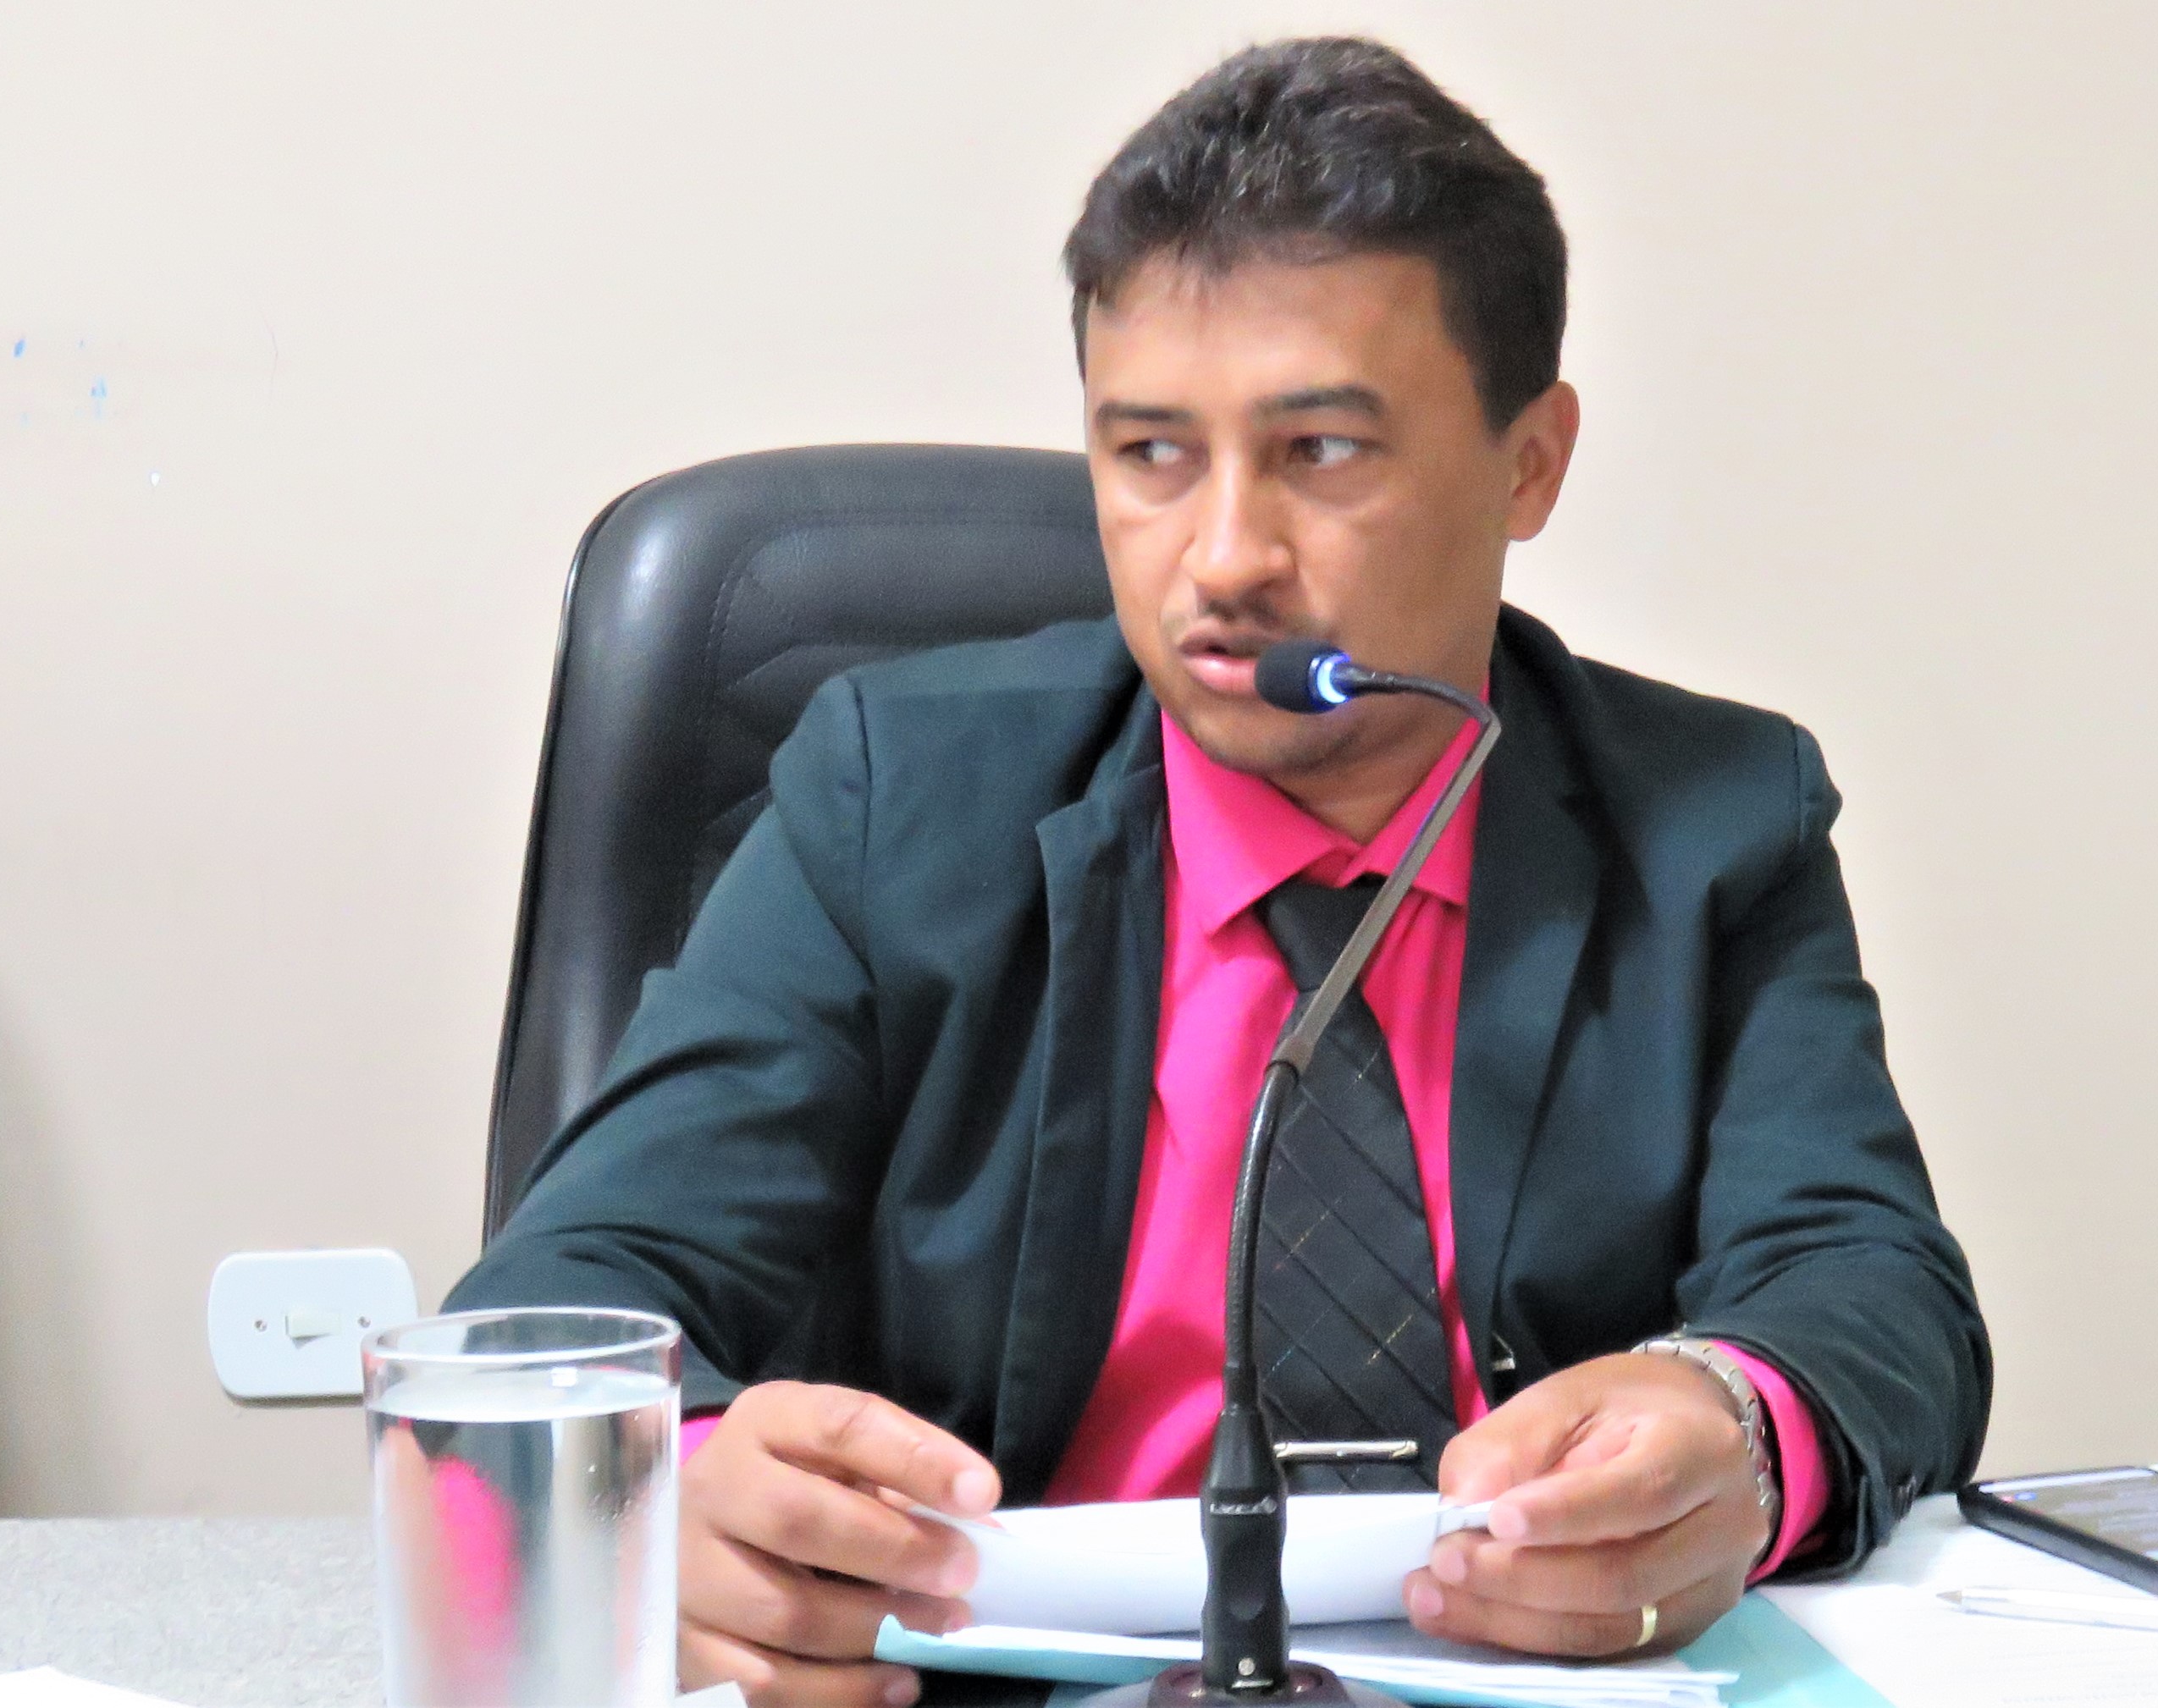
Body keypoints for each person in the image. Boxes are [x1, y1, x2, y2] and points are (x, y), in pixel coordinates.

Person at [446, 36, 1991, 1708]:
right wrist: (667, 1499)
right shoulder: (896, 797)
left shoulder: (1711, 819)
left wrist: (1738, 1429)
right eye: (1149, 455)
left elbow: (1871, 1284)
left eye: (1320, 451)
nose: (1225, 558)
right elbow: (550, 1311)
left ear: (1529, 462)